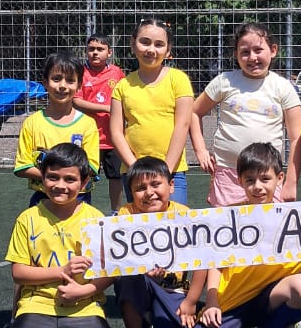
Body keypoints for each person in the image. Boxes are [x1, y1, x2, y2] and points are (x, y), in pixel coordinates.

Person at [189, 22, 301, 328]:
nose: (252, 57)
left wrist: (290, 182)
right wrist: (200, 149)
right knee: (222, 240)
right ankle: (218, 299)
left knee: (276, 242)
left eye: (258, 50)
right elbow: (194, 112)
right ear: (236, 54)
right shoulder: (224, 81)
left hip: (267, 179)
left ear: (273, 51)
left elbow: (297, 137)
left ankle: (291, 310)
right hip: (228, 176)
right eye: (244, 51)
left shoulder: (282, 87)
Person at [181, 143, 301, 328]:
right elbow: (215, 263)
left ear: (279, 178)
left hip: (270, 299)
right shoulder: (228, 215)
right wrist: (212, 302)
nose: (257, 186)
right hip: (232, 301)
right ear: (240, 181)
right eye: (250, 180)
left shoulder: (295, 218)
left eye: (265, 179)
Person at [0, 144, 126, 328]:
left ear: (84, 182)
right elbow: (19, 273)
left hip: (83, 306)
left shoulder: (95, 219)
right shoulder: (28, 218)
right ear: (42, 178)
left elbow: (110, 272)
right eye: (52, 177)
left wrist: (84, 291)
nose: (60, 185)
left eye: (70, 179)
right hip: (37, 305)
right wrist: (62, 271)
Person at [115, 156, 207, 328]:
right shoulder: (126, 213)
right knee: (127, 276)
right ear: (131, 192)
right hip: (141, 281)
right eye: (140, 188)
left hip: (174, 290)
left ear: (171, 185)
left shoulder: (185, 215)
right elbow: (119, 256)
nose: (149, 192)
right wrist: (142, 268)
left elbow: (203, 262)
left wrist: (191, 301)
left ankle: (151, 320)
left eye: (156, 184)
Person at [109, 17, 194, 205]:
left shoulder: (178, 80)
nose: (151, 49)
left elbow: (183, 125)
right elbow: (115, 132)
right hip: (134, 174)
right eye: (145, 42)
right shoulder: (122, 86)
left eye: (159, 44)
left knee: (175, 221)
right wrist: (135, 168)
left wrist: (166, 171)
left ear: (168, 50)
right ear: (133, 44)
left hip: (173, 171)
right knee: (139, 223)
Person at [14, 49, 100, 204]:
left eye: (70, 80)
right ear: (45, 82)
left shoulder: (87, 124)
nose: (62, 86)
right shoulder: (32, 123)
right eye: (56, 79)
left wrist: (58, 177)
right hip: (43, 198)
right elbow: (22, 167)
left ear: (79, 85)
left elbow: (92, 167)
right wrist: (54, 178)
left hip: (79, 199)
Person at [74, 34, 125, 212]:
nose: (95, 53)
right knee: (83, 174)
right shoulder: (80, 72)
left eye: (100, 49)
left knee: (116, 176)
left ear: (109, 52)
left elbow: (125, 97)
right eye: (91, 49)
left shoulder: (117, 73)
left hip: (113, 137)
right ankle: (80, 210)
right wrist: (107, 108)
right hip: (88, 136)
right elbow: (76, 101)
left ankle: (116, 212)